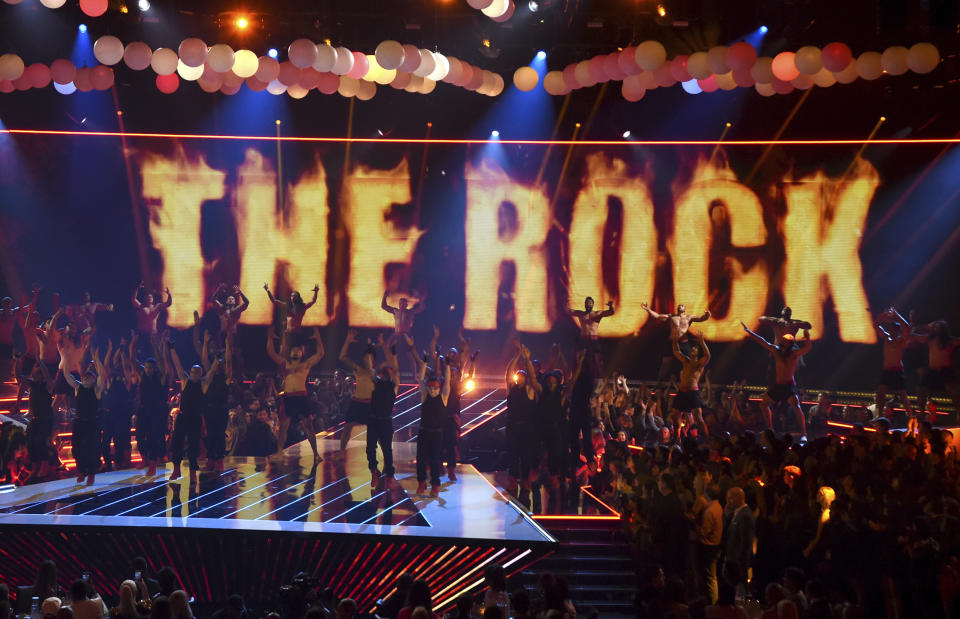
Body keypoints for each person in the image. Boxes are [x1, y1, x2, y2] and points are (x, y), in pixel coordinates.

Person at [741, 322, 811, 436]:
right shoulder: (776, 351)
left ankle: (804, 433)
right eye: (782, 339)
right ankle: (770, 429)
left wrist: (807, 338)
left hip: (789, 386)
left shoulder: (794, 354)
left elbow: (807, 348)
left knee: (796, 407)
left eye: (785, 340)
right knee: (763, 405)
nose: (782, 340)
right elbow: (763, 341)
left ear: (789, 343)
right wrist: (749, 332)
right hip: (778, 386)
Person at [266, 327, 325, 459]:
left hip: (301, 397)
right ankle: (280, 452)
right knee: (283, 427)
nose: (295, 352)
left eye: (298, 351)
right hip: (288, 398)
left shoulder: (305, 365)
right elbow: (270, 352)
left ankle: (316, 454)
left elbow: (320, 353)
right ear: (290, 353)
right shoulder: (284, 364)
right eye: (293, 350)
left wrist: (318, 337)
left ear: (301, 353)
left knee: (308, 426)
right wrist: (270, 336)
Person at [167, 347, 219, 485]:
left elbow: (212, 372)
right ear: (191, 373)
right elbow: (177, 365)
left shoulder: (203, 384)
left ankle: (192, 473)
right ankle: (176, 469)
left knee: (193, 446)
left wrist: (217, 360)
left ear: (201, 373)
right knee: (177, 444)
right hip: (183, 417)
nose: (195, 374)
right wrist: (172, 349)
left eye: (198, 372)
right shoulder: (185, 381)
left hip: (195, 419)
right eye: (193, 372)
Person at [63, 345, 107, 485]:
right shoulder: (78, 388)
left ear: (93, 380)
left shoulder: (96, 391)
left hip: (91, 423)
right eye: (85, 377)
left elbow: (102, 375)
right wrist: (66, 357)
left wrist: (96, 358)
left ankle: (91, 473)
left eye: (89, 377)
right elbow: (66, 374)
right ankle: (81, 471)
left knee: (92, 448)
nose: (86, 379)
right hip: (79, 423)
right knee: (77, 448)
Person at [505, 344, 541, 508]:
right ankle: (513, 481)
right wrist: (517, 355)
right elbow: (508, 373)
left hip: (527, 428)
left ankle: (525, 483)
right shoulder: (511, 389)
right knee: (513, 455)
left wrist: (526, 359)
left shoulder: (530, 390)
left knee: (525, 456)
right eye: (518, 375)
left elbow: (533, 378)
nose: (519, 377)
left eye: (522, 375)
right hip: (512, 427)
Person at [413, 347, 451, 497]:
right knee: (421, 459)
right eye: (431, 387)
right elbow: (420, 379)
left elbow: (447, 380)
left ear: (438, 387)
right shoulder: (425, 395)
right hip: (424, 431)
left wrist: (447, 365)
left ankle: (435, 485)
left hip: (436, 433)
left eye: (435, 387)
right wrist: (425, 362)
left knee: (435, 459)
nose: (433, 389)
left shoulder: (443, 397)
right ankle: (422, 482)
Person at [642, 302, 711, 380]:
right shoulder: (672, 316)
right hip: (671, 342)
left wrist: (707, 315)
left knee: (690, 363)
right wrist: (647, 309)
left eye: (682, 305)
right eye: (679, 306)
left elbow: (701, 318)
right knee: (665, 363)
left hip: (683, 343)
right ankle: (659, 383)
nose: (680, 306)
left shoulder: (689, 317)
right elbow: (658, 316)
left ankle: (691, 381)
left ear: (685, 309)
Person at [873, 307, 915, 425]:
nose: (891, 331)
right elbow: (875, 325)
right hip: (886, 370)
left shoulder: (901, 340)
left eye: (894, 330)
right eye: (890, 329)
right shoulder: (886, 338)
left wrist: (897, 315)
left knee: (902, 394)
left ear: (897, 331)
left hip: (897, 370)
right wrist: (883, 315)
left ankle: (911, 417)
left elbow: (906, 328)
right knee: (881, 392)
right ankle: (880, 417)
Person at [132, 343, 169, 477]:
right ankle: (145, 459)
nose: (147, 370)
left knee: (153, 436)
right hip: (143, 410)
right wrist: (132, 346)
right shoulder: (143, 377)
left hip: (155, 410)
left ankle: (153, 462)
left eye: (150, 367)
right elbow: (132, 362)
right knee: (140, 435)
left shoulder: (160, 377)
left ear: (154, 368)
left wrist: (155, 345)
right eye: (146, 367)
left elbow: (162, 363)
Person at [367, 334, 399, 490]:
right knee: (370, 448)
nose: (388, 373)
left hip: (385, 420)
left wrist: (392, 354)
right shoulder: (376, 382)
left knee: (387, 449)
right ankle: (374, 471)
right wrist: (370, 350)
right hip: (373, 420)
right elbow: (370, 368)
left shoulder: (393, 386)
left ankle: (390, 476)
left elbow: (396, 369)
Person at [338, 330, 376, 456]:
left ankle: (385, 457)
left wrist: (371, 348)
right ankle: (342, 452)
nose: (367, 360)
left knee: (377, 432)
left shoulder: (375, 373)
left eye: (369, 358)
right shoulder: (358, 369)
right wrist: (347, 341)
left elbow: (373, 375)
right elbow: (342, 357)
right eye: (365, 358)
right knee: (347, 428)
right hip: (357, 403)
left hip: (370, 405)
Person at [201, 332, 232, 472]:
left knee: (219, 435)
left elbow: (229, 363)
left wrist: (227, 345)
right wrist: (206, 342)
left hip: (221, 409)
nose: (219, 365)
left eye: (221, 364)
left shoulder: (225, 378)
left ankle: (219, 460)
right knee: (210, 435)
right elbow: (204, 360)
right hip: (209, 409)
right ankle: (211, 460)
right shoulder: (209, 377)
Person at [671, 330, 710, 438]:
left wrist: (702, 342)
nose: (692, 349)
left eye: (694, 348)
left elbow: (708, 356)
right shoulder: (686, 361)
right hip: (682, 392)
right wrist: (675, 339)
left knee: (698, 418)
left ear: (697, 352)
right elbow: (676, 351)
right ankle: (677, 438)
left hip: (692, 393)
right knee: (675, 416)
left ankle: (707, 439)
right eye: (692, 348)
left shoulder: (699, 364)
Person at [917, 320, 960, 417]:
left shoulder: (950, 341)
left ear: (944, 329)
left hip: (946, 369)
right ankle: (922, 413)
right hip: (933, 370)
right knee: (921, 389)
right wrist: (929, 325)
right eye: (935, 327)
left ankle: (959, 412)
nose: (937, 328)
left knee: (953, 391)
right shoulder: (930, 339)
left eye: (939, 327)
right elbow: (914, 335)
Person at [23, 360, 56, 480]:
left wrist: (41, 363)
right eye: (35, 375)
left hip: (45, 420)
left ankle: (44, 469)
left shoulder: (47, 387)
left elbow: (49, 378)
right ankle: (35, 468)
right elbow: (19, 377)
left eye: (39, 375)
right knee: (30, 442)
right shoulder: (33, 386)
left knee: (40, 442)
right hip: (35, 419)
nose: (37, 377)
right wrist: (17, 360)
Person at [694, 483, 724, 604]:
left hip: (709, 547)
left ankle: (713, 602)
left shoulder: (709, 511)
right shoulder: (718, 506)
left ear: (707, 494)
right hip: (716, 545)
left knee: (710, 578)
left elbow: (703, 532)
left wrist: (695, 523)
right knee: (711, 576)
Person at [723, 486, 755, 597]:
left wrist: (739, 561)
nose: (727, 501)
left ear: (737, 498)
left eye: (729, 498)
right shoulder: (736, 514)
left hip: (738, 562)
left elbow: (745, 542)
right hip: (733, 560)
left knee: (741, 590)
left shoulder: (745, 516)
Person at [0, 295, 21, 380]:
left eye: (8, 303)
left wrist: (35, 295)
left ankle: (8, 376)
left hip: (8, 342)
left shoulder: (14, 312)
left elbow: (25, 308)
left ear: (11, 304)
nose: (7, 305)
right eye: (5, 303)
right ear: (2, 304)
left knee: (9, 361)